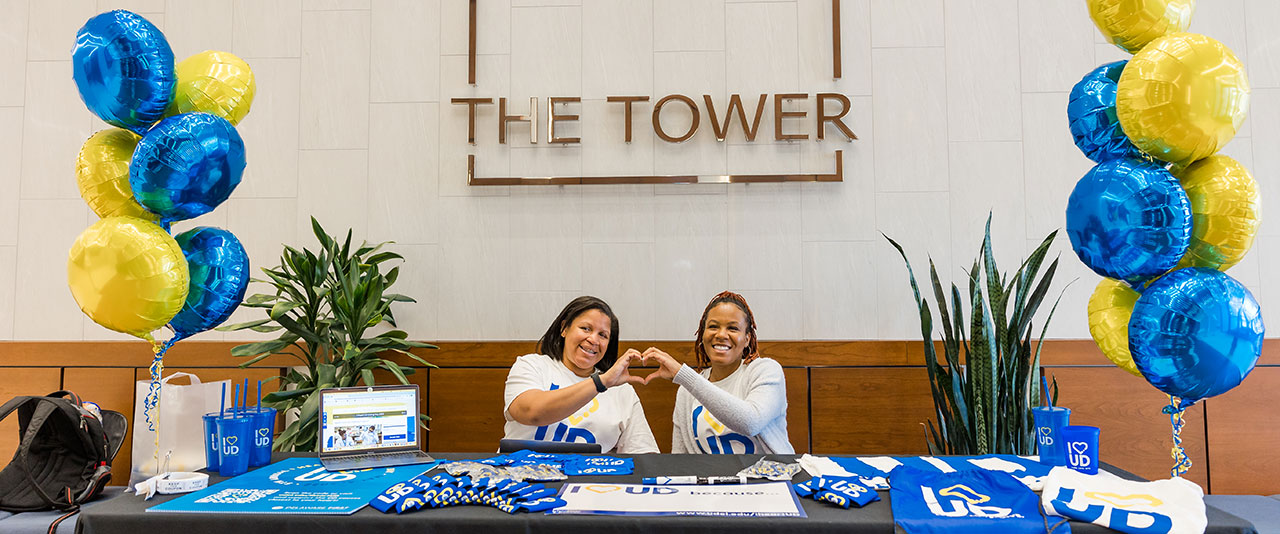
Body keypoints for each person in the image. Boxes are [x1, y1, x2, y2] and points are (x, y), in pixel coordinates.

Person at [503, 296, 659, 454]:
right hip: (521, 475)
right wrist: (601, 382)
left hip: (589, 477)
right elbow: (531, 413)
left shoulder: (622, 391)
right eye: (586, 328)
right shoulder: (532, 365)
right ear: (564, 328)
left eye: (603, 335)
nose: (593, 339)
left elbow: (645, 456)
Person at [642, 291, 792, 454]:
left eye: (733, 328)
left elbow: (751, 423)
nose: (721, 335)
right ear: (702, 335)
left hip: (767, 478)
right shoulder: (686, 391)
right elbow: (680, 457)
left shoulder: (765, 370)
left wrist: (683, 374)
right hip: (709, 478)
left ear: (747, 338)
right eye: (713, 327)